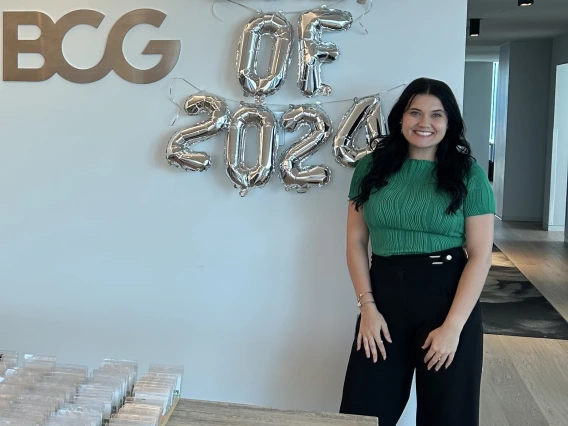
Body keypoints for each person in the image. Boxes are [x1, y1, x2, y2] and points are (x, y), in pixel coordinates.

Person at [338, 77, 495, 426]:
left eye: (436, 115)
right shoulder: (371, 168)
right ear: (400, 118)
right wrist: (368, 307)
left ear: (449, 122)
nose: (425, 123)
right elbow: (355, 242)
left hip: (447, 297)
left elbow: (481, 254)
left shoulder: (469, 175)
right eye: (415, 112)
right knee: (363, 412)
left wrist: (453, 327)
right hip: (384, 297)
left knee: (448, 415)